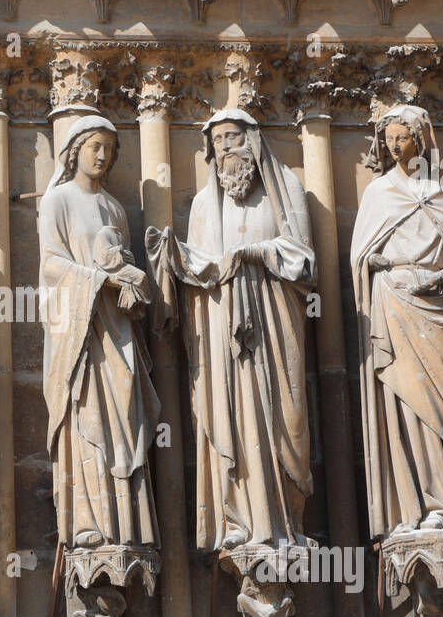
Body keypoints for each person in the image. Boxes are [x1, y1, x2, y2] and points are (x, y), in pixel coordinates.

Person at [147, 108, 314, 550]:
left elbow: (304, 260)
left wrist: (256, 254)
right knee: (233, 420)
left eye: (233, 137)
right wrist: (175, 257)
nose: (225, 148)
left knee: (283, 421)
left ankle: (284, 523)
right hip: (223, 333)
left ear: (253, 141)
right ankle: (238, 521)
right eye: (218, 140)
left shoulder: (285, 190)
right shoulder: (204, 205)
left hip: (275, 328)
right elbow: (204, 271)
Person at [351, 104, 443, 538]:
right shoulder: (377, 194)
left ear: (420, 140)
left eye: (402, 136)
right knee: (407, 401)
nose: (393, 144)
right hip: (394, 302)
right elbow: (359, 258)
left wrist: (435, 278)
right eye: (388, 138)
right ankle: (421, 500)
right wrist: (378, 264)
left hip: (438, 308)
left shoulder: (439, 192)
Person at [39, 113, 159, 550]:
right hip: (80, 332)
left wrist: (133, 288)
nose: (103, 155)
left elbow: (123, 262)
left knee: (123, 414)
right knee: (86, 413)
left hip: (117, 329)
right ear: (75, 151)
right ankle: (88, 520)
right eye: (95, 146)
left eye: (110, 148)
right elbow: (51, 265)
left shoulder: (114, 207)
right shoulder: (57, 201)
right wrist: (103, 280)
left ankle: (125, 521)